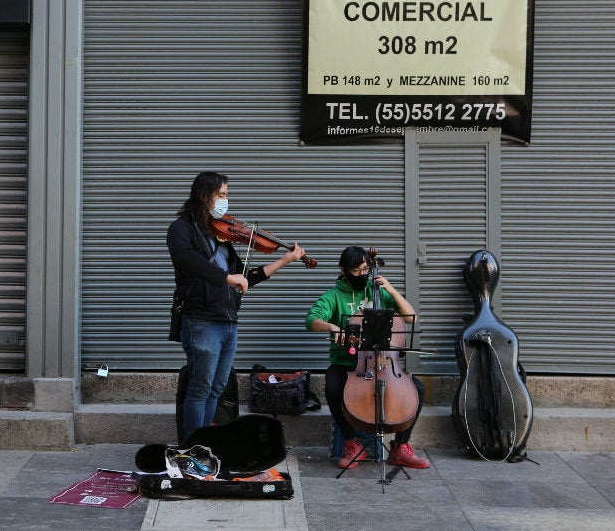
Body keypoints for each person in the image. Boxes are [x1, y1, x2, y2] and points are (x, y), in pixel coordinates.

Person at [167, 171, 307, 440]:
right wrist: (225, 277)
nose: (225, 201)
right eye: (221, 195)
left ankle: (205, 445)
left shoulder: (223, 238)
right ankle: (192, 450)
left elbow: (245, 279)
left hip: (228, 323)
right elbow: (186, 260)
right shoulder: (181, 229)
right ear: (203, 195)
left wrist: (283, 261)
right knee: (200, 388)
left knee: (217, 388)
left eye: (227, 195)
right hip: (201, 321)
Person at [304, 246, 431, 470]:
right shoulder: (334, 296)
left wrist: (391, 290)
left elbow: (411, 318)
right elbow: (312, 319)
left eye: (366, 269)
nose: (363, 274)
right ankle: (352, 442)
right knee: (333, 387)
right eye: (356, 270)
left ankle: (400, 447)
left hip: (384, 362)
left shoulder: (379, 291)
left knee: (417, 389)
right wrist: (332, 326)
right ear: (343, 270)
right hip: (348, 363)